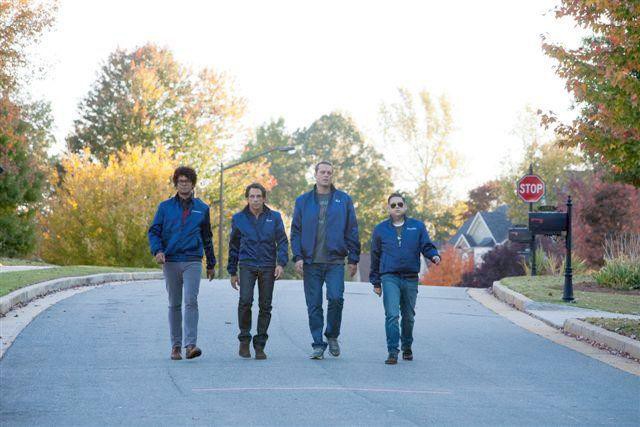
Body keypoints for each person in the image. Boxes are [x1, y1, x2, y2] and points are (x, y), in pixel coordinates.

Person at [291, 160, 360, 360]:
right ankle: (318, 344)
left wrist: (353, 258)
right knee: (314, 304)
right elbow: (296, 231)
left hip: (335, 261)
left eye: (329, 172)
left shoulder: (343, 200)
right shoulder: (303, 201)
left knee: (336, 298)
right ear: (315, 174)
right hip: (310, 262)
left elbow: (352, 230)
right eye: (322, 172)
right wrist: (298, 256)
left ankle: (331, 335)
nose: (326, 175)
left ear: (332, 175)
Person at [148, 166, 215, 360]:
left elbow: (207, 237)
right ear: (176, 184)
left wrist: (211, 263)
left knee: (191, 300)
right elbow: (154, 231)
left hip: (193, 259)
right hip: (171, 260)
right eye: (180, 181)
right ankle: (176, 347)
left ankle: (190, 345)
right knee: (174, 304)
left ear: (193, 184)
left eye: (187, 181)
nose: (184, 184)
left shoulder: (202, 208)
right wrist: (158, 250)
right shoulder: (165, 207)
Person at [369, 193, 441, 365]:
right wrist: (376, 282)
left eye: (400, 204)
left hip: (410, 277)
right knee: (392, 315)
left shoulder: (417, 227)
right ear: (388, 208)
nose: (397, 207)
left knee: (408, 316)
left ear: (405, 207)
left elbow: (426, 245)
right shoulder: (380, 229)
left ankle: (407, 346)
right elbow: (375, 256)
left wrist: (434, 255)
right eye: (393, 205)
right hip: (389, 277)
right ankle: (392, 351)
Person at [227, 183, 289, 360]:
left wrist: (281, 263)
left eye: (258, 196)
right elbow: (233, 246)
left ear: (264, 198)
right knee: (245, 301)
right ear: (247, 198)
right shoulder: (239, 218)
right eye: (252, 196)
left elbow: (282, 241)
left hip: (268, 266)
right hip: (247, 265)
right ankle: (244, 339)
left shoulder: (274, 217)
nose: (255, 200)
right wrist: (232, 271)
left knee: (265, 305)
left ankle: (260, 344)